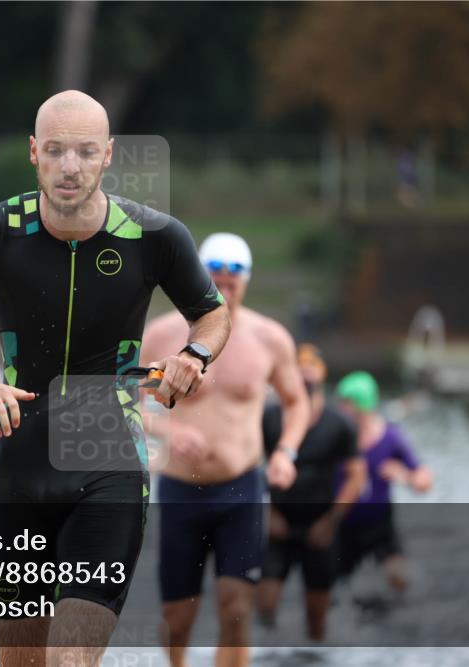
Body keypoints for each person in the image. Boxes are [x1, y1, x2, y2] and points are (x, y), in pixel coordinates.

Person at [0, 90, 231, 667]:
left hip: (110, 462)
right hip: (18, 467)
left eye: (84, 152)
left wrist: (195, 354)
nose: (69, 167)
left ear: (107, 155)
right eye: (55, 151)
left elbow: (213, 312)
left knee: (71, 661)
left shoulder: (154, 236)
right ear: (34, 152)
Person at [139, 232, 309, 667]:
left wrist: (286, 453)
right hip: (180, 490)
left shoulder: (269, 339)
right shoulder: (161, 335)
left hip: (241, 489)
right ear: (199, 276)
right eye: (215, 277)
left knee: (236, 609)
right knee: (178, 618)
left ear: (246, 281)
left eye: (234, 280)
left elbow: (296, 402)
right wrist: (167, 433)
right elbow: (123, 407)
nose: (224, 287)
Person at [256, 345, 366, 641]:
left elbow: (357, 477)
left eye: (310, 364)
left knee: (316, 617)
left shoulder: (339, 423)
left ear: (321, 373)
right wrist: (269, 512)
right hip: (280, 524)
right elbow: (250, 465)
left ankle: (312, 656)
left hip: (321, 526)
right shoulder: (270, 418)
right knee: (264, 604)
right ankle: (272, 651)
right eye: (298, 364)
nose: (304, 370)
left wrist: (331, 521)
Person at [334, 371, 432, 592]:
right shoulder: (336, 436)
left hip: (380, 524)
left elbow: (424, 481)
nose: (340, 408)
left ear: (362, 406)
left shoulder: (391, 437)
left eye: (346, 403)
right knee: (332, 588)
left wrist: (404, 475)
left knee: (400, 579)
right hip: (342, 524)